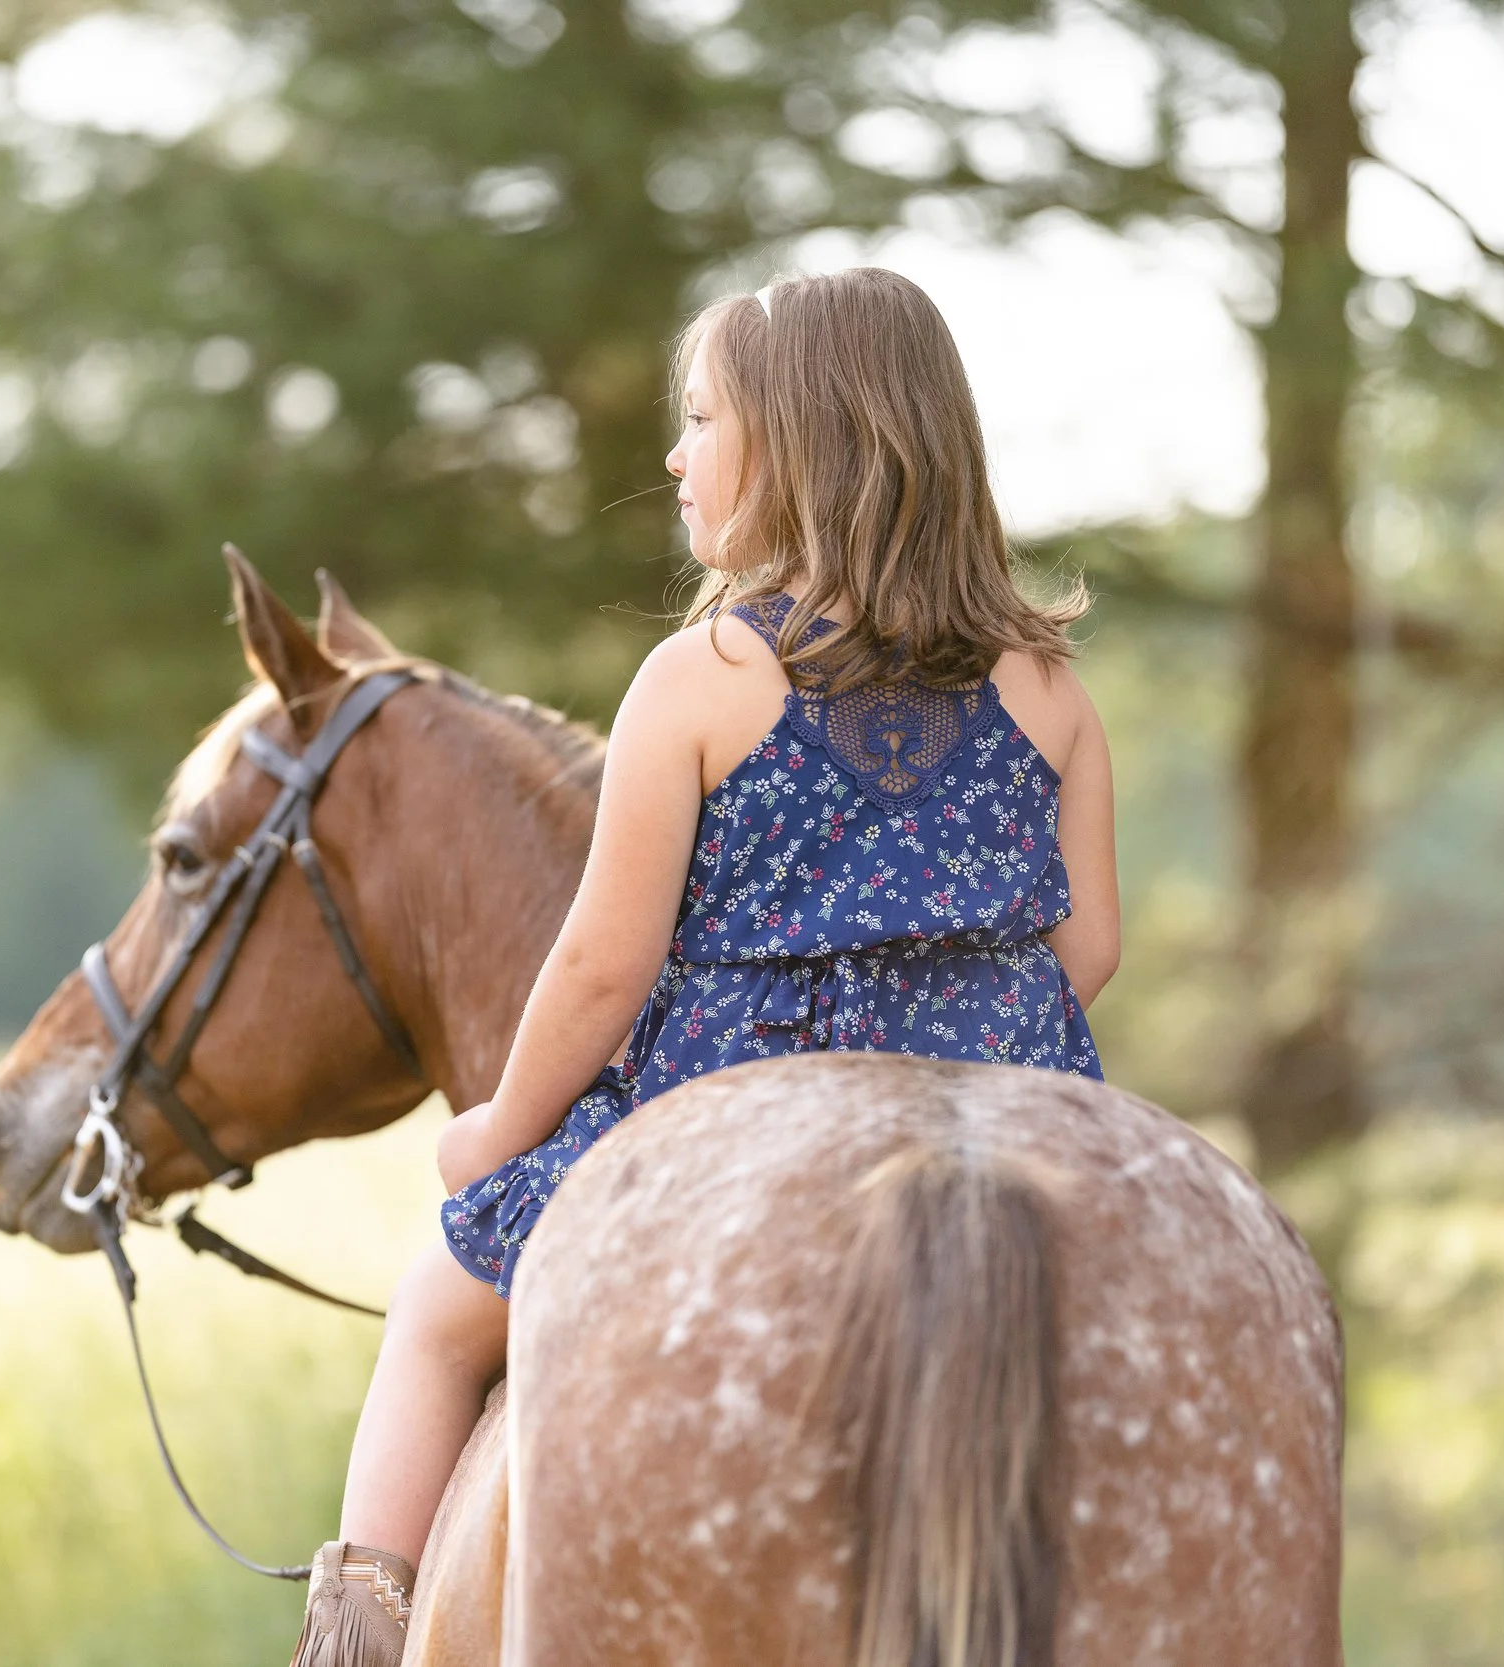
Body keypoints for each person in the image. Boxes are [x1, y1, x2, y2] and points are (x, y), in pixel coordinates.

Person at [289, 266, 1120, 1666]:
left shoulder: (707, 673)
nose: (674, 455)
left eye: (700, 419)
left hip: (729, 1117)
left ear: (800, 442)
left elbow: (607, 967)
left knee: (438, 1311)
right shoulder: (1048, 684)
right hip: (1002, 1113)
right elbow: (1088, 946)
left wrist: (502, 1127)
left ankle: (359, 1639)